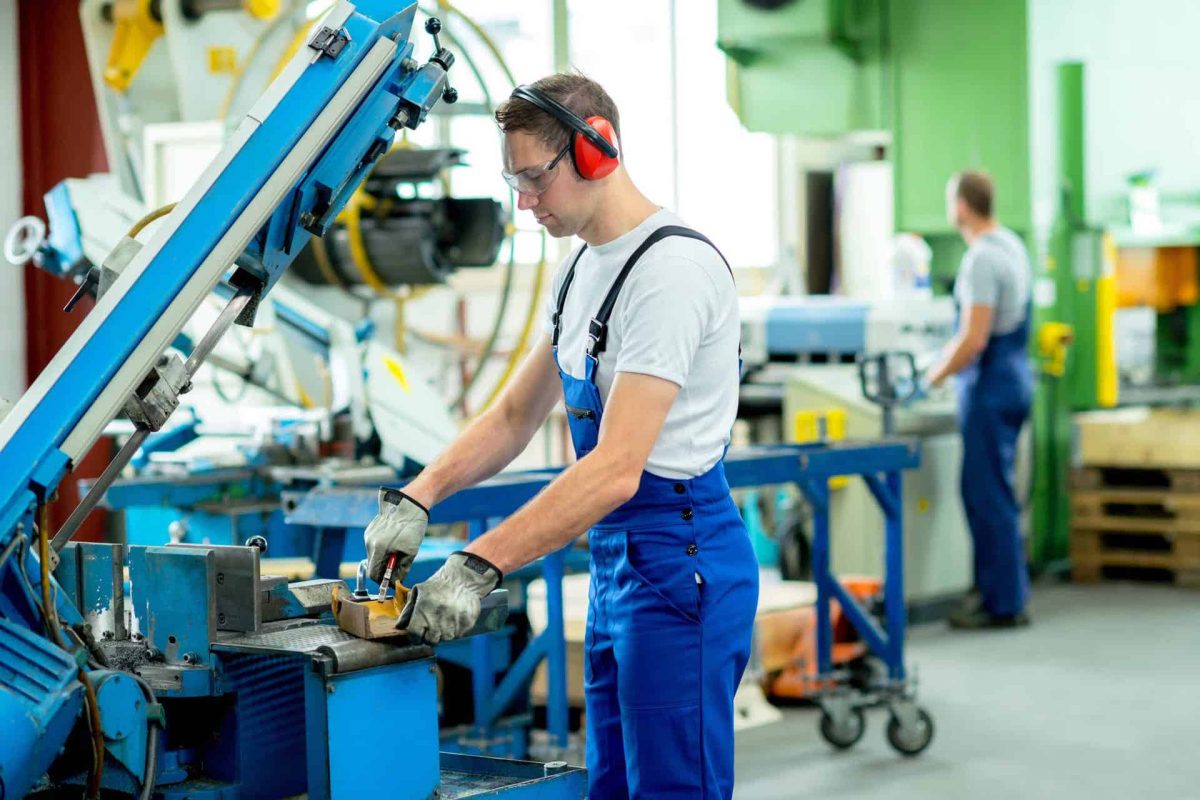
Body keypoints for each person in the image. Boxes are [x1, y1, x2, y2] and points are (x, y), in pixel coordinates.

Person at [363, 72, 759, 799]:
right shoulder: (579, 268)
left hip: (680, 560)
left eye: (535, 179)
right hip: (617, 564)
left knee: (673, 789)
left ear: (597, 150)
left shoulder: (670, 272)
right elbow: (516, 418)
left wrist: (478, 563)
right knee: (611, 786)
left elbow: (615, 469)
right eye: (512, 181)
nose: (524, 201)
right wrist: (420, 495)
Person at [926, 171, 1033, 630]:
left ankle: (1002, 603)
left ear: (963, 206)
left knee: (985, 496)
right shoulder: (1011, 244)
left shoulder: (981, 260)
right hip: (1015, 377)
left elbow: (973, 338)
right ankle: (1003, 593)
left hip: (990, 386)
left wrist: (933, 375)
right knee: (998, 492)